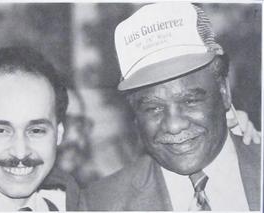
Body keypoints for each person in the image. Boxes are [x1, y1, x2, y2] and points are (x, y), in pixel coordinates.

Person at [79, 2, 261, 211]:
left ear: (224, 91)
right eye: (153, 108)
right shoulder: (99, 204)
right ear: (135, 116)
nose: (174, 125)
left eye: (190, 101)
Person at [0, 46, 79, 211]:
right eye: (0, 130)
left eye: (36, 131)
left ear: (59, 133)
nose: (20, 152)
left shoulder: (78, 205)